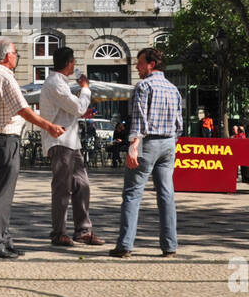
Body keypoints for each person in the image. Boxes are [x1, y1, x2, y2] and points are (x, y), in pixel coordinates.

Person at [0, 37, 63, 259]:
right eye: (15, 53)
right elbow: (22, 109)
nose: (16, 57)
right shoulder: (6, 77)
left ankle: (4, 240)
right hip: (6, 140)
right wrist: (49, 125)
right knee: (1, 195)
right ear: (7, 56)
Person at [112, 46, 183, 258]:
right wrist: (172, 142)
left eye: (140, 63)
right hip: (169, 143)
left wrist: (134, 146)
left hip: (148, 142)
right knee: (166, 194)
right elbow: (179, 123)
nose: (137, 66)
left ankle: (125, 245)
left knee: (132, 193)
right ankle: (169, 246)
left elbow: (139, 119)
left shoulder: (143, 86)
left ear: (151, 64)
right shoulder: (173, 88)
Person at [40, 47, 104, 247]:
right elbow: (77, 106)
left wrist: (79, 113)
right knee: (62, 188)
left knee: (82, 185)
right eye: (74, 62)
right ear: (69, 63)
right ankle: (59, 232)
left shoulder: (61, 84)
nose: (75, 65)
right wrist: (85, 88)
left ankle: (83, 230)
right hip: (60, 142)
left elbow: (71, 111)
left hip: (71, 142)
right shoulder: (55, 83)